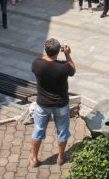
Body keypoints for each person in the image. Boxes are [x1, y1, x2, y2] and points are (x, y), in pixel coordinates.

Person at [29, 38, 76, 167]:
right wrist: (67, 54)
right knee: (62, 131)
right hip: (61, 104)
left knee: (38, 130)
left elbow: (44, 60)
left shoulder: (37, 64)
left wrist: (50, 52)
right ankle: (60, 158)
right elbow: (73, 70)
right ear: (58, 51)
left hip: (43, 104)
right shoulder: (63, 67)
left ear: (46, 50)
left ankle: (34, 158)